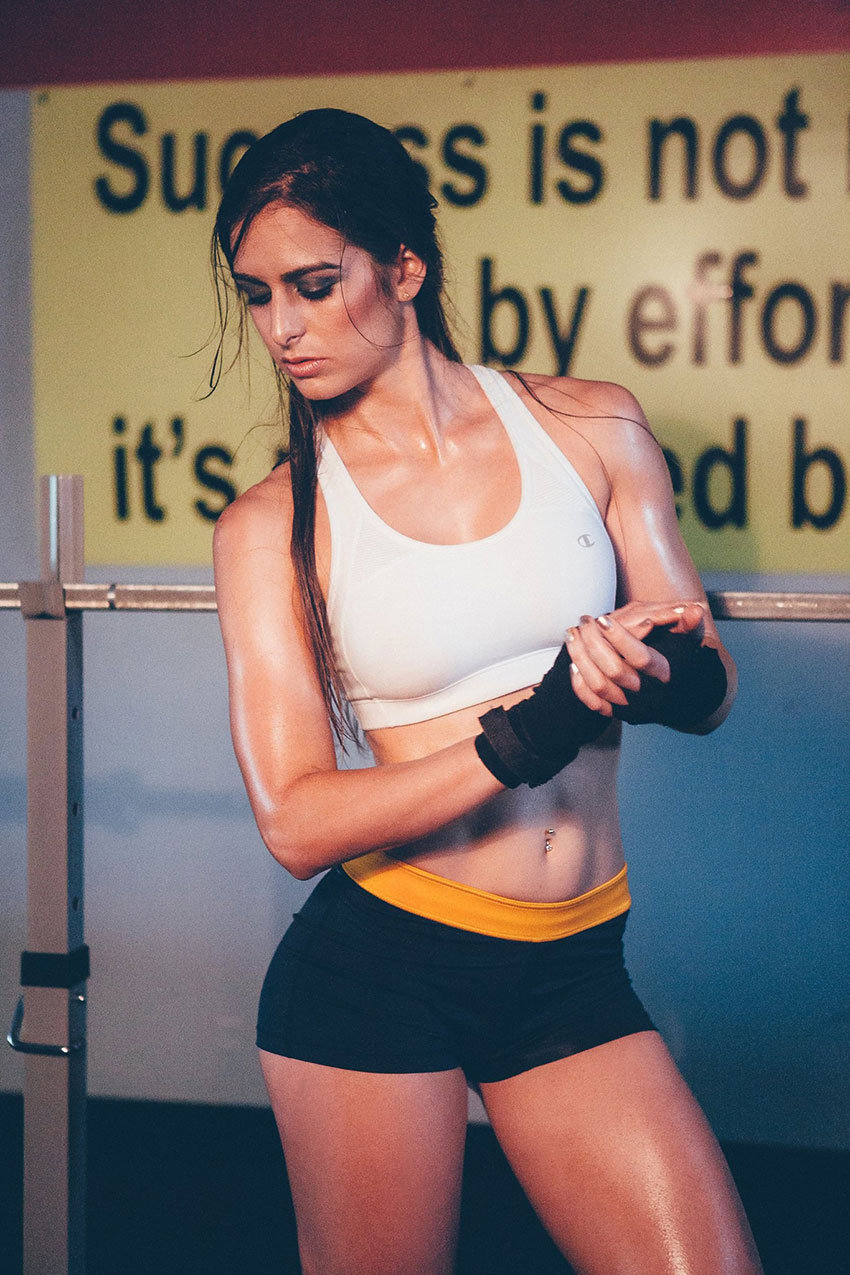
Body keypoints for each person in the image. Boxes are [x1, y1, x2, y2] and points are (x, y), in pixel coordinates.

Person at [211, 108, 763, 1275]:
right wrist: (536, 727)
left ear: (405, 266)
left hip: (570, 964)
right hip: (377, 973)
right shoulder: (270, 524)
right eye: (258, 295)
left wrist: (642, 674)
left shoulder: (592, 423)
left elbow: (707, 689)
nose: (283, 327)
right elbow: (297, 822)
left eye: (313, 283)